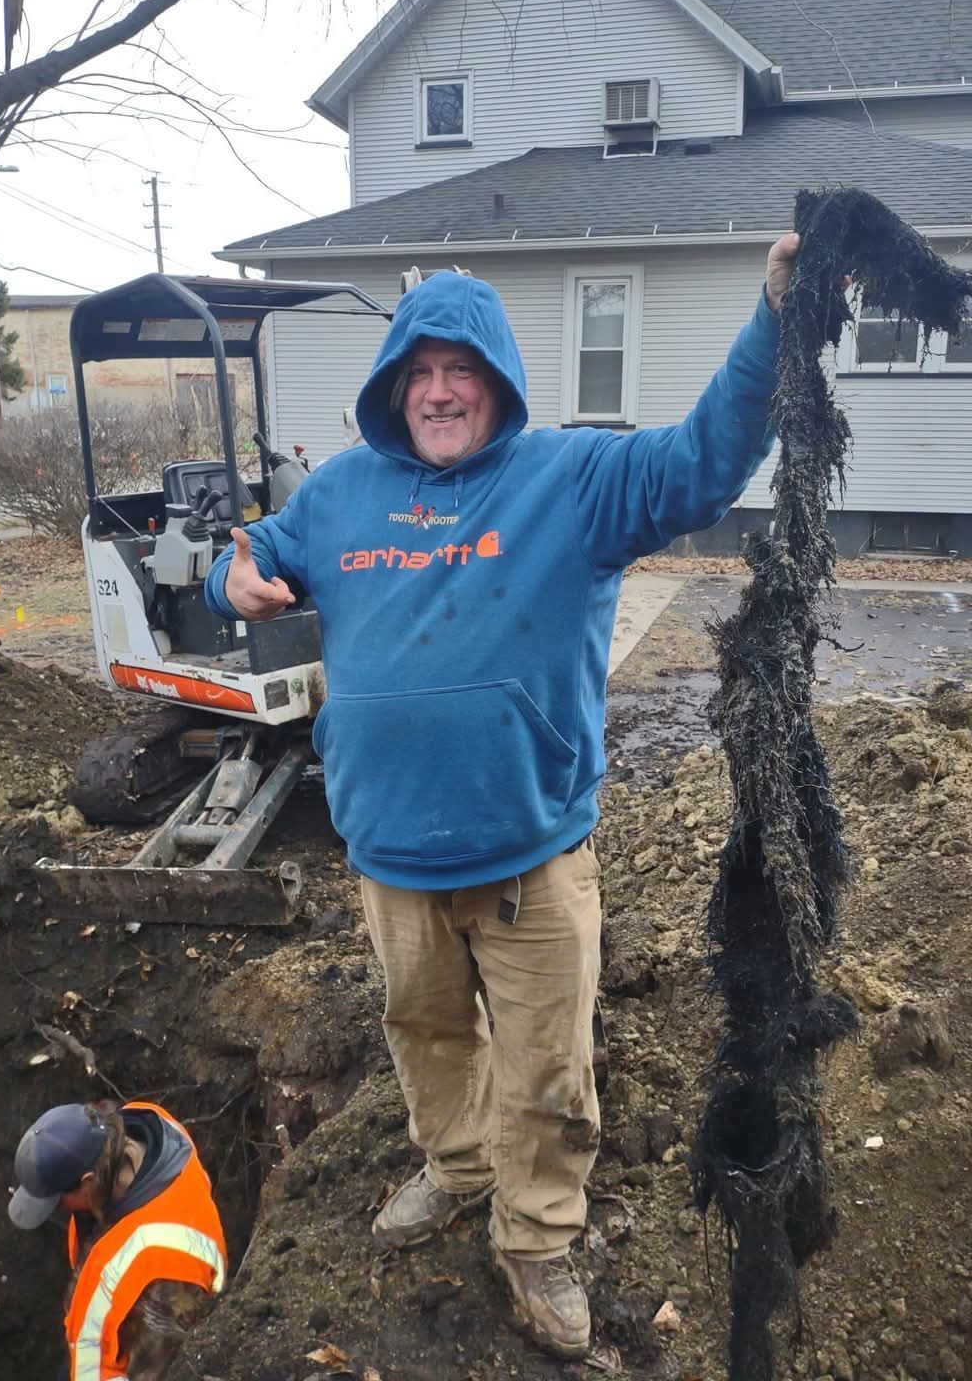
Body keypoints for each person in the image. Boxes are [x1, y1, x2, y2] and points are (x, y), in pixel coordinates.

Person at [205, 237, 800, 1360]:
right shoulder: (339, 495)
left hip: (530, 858)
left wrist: (773, 322)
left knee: (547, 1068)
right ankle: (458, 1167)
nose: (438, 390)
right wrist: (231, 573)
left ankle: (535, 1238)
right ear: (392, 387)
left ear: (498, 382)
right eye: (418, 371)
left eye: (460, 370)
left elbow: (706, 459)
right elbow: (252, 550)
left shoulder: (571, 482)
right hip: (390, 856)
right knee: (424, 1033)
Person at [8, 1099, 227, 1380]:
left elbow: (119, 1371)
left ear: (87, 1181)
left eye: (58, 1201)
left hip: (145, 1347)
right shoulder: (149, 1130)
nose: (58, 1210)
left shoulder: (141, 1265)